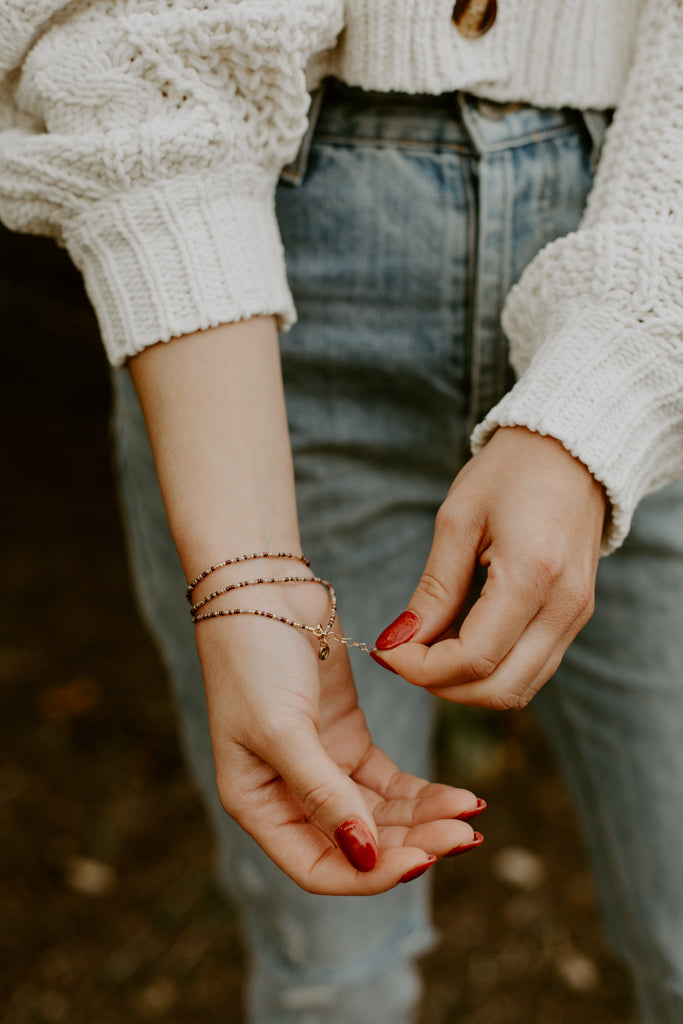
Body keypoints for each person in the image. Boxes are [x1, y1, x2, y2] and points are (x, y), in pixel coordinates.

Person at [1, 1, 682, 1021]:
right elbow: (121, 36)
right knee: (328, 963)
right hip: (244, 272)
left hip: (653, 224)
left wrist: (617, 376)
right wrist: (250, 577)